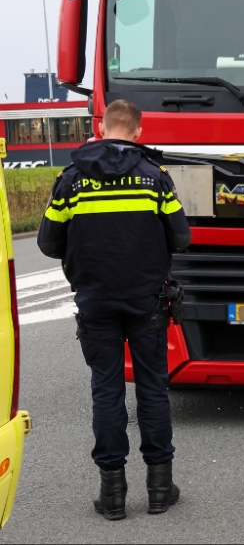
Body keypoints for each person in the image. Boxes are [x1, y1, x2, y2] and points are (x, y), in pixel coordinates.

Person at [37, 99, 191, 521]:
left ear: (102, 127)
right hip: (147, 303)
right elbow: (181, 238)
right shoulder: (155, 179)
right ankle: (160, 488)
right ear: (139, 132)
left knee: (106, 391)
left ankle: (113, 493)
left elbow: (48, 244)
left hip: (96, 301)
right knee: (153, 390)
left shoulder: (71, 180)